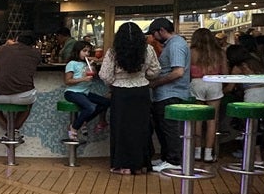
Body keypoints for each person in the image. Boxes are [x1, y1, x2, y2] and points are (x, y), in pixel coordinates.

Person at [99, 22, 160, 175]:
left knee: (121, 129)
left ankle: (121, 165)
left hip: (120, 93)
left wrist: (115, 81)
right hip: (141, 92)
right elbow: (155, 72)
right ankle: (140, 165)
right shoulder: (148, 50)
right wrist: (142, 75)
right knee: (141, 129)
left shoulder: (113, 52)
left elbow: (105, 75)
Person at [145, 18, 191, 172]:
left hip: (171, 93)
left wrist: (155, 83)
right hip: (166, 93)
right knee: (163, 128)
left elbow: (178, 72)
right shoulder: (172, 44)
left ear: (162, 30)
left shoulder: (176, 45)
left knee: (169, 129)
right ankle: (166, 158)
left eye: (153, 33)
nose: (153, 37)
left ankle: (174, 161)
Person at [0, 31, 43, 139]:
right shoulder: (36, 53)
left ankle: (8, 128)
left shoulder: (0, 49)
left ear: (16, 38)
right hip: (25, 96)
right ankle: (14, 129)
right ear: (33, 43)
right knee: (29, 104)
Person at [187, 27, 226, 162]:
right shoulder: (219, 52)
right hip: (215, 82)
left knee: (198, 119)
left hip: (197, 83)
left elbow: (186, 72)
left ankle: (197, 151)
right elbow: (225, 72)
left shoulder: (192, 52)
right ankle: (208, 153)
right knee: (212, 120)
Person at [63, 40, 108, 140]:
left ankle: (83, 121)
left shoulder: (86, 64)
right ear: (77, 51)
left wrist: (92, 67)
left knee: (106, 102)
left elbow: (94, 74)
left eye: (88, 51)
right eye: (84, 51)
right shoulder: (72, 63)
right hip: (72, 92)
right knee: (90, 107)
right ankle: (73, 128)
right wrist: (83, 78)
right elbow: (67, 81)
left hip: (84, 93)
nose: (87, 53)